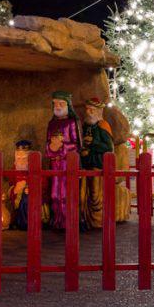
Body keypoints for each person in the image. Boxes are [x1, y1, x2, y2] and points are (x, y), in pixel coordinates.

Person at [45, 90, 81, 229]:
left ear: (68, 105)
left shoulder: (72, 122)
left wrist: (62, 146)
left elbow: (77, 144)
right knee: (54, 193)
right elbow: (47, 143)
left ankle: (68, 221)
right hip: (55, 163)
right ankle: (57, 221)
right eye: (55, 104)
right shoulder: (51, 124)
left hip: (67, 163)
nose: (58, 106)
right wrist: (52, 148)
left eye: (61, 103)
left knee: (66, 194)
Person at [79, 97, 115, 229]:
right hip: (85, 165)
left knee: (95, 195)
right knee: (84, 193)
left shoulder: (103, 125)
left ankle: (98, 220)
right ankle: (86, 220)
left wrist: (92, 144)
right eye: (87, 109)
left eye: (92, 110)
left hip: (97, 166)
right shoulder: (85, 126)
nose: (88, 112)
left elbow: (108, 147)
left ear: (98, 111)